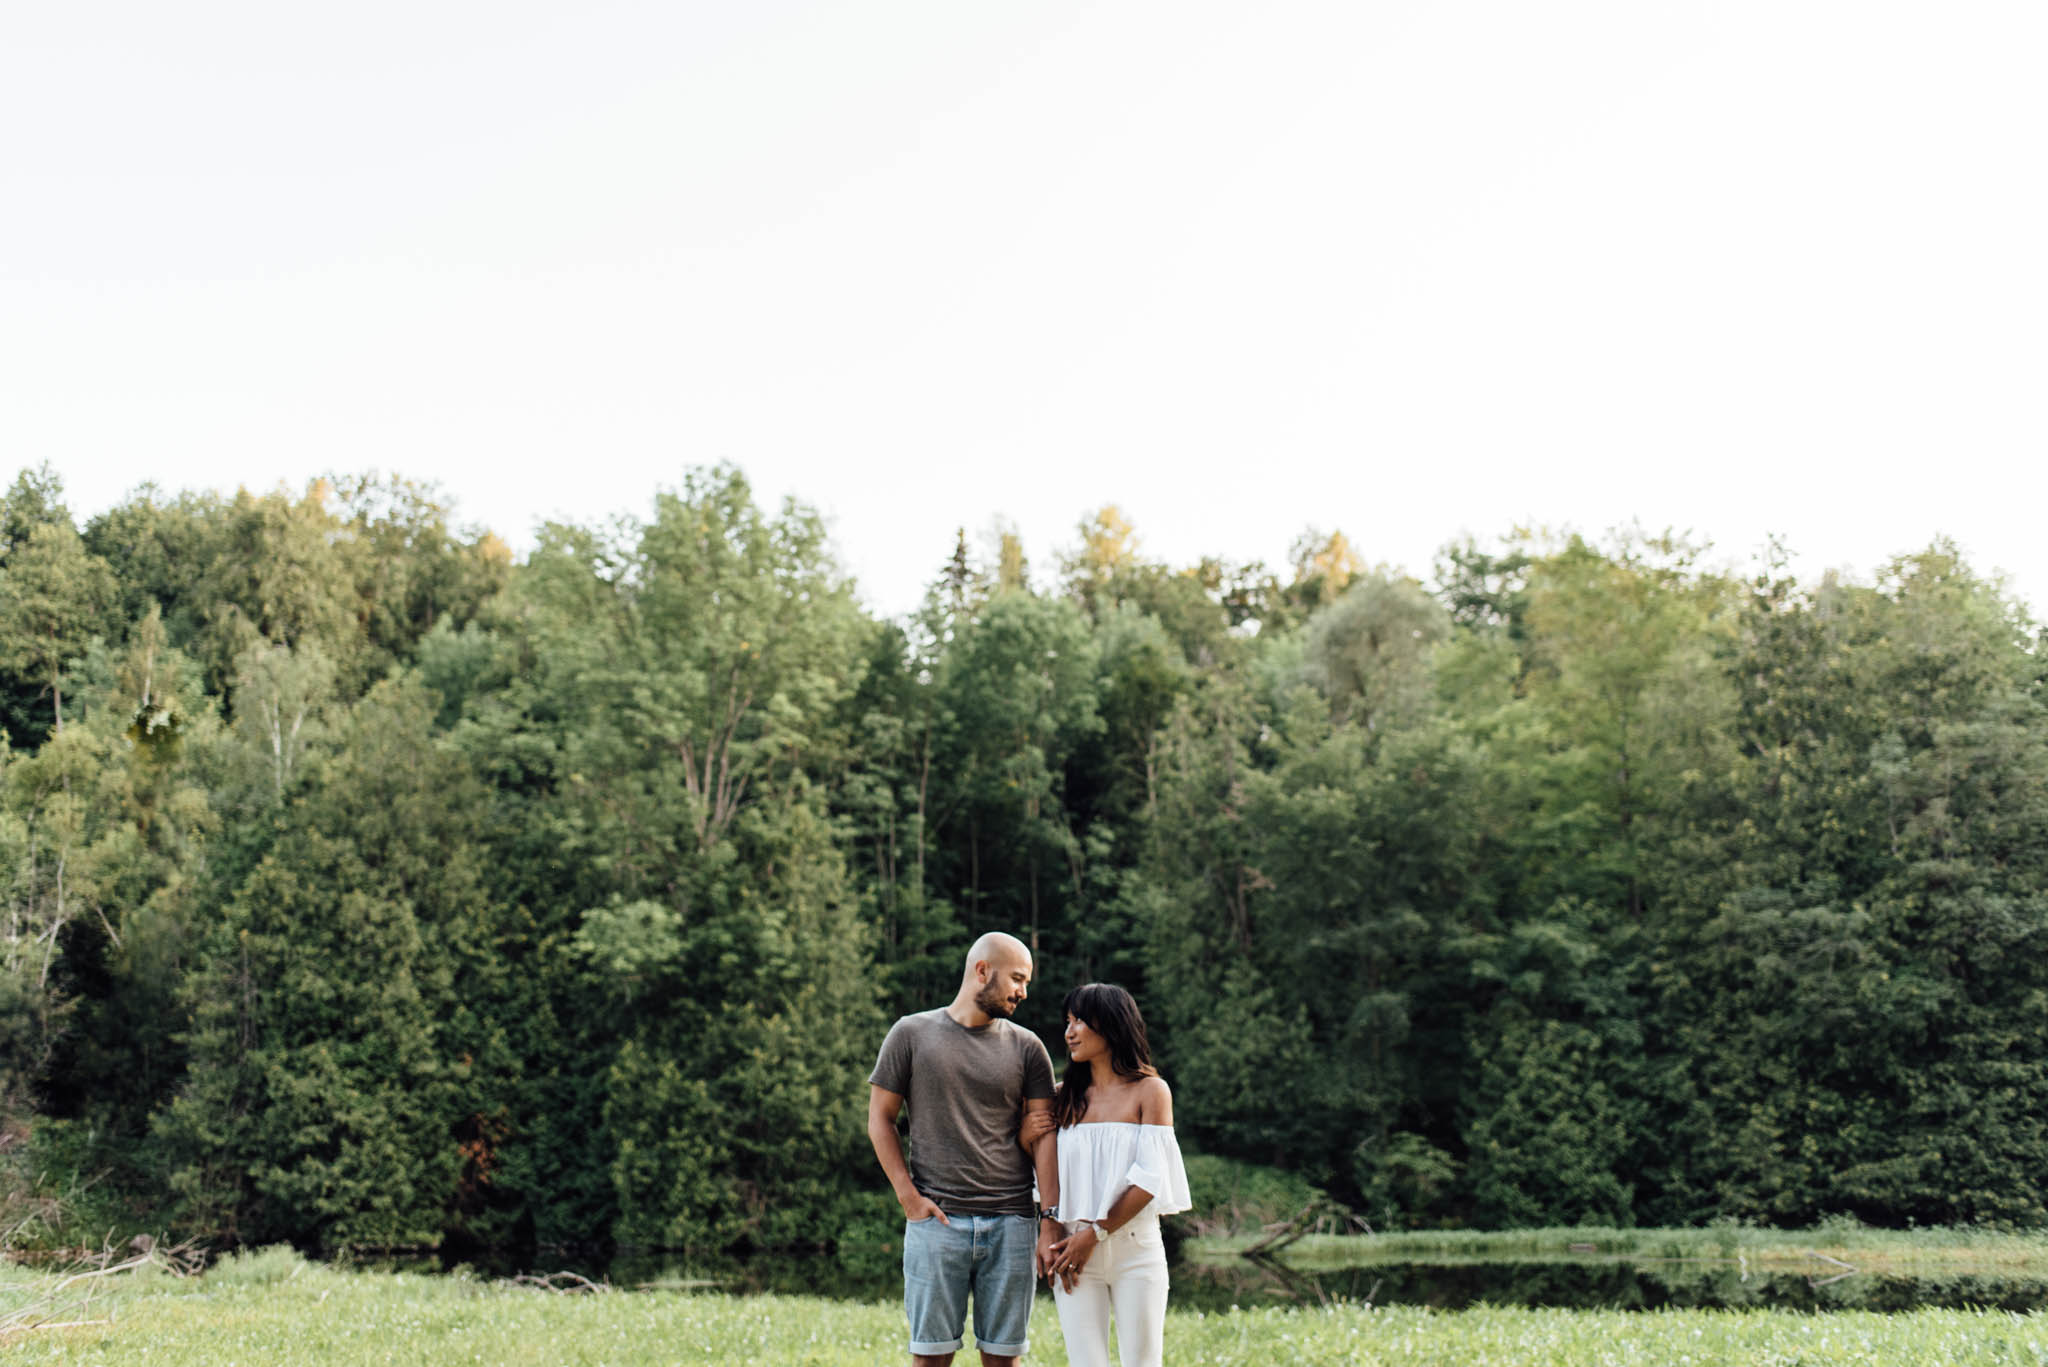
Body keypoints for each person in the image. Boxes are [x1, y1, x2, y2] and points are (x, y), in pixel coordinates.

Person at [869, 931, 1056, 1367]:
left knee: (1003, 1359)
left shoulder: (1029, 1048)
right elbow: (880, 1118)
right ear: (982, 971)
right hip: (937, 1224)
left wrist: (1048, 1219)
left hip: (1013, 1222)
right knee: (930, 1358)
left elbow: (1044, 1136)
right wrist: (907, 1197)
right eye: (1017, 979)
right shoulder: (910, 1034)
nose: (1023, 992)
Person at [1022, 983, 1190, 1367]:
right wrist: (1023, 1136)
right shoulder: (1060, 1097)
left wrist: (1095, 1233)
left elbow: (1150, 1179)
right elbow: (1036, 1168)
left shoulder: (1151, 1092)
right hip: (1071, 1251)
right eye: (1067, 1021)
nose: (1069, 1032)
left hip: (1136, 1249)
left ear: (1112, 1025)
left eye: (1080, 1020)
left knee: (1143, 1363)